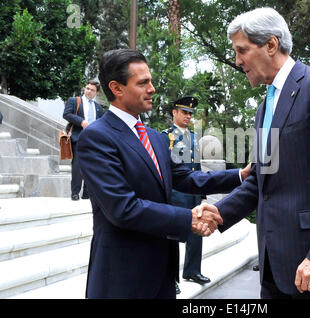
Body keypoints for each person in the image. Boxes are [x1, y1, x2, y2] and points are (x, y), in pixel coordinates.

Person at [195, 7, 310, 299]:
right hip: (276, 273)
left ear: (271, 45)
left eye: (242, 50)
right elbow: (264, 180)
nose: (238, 61)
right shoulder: (265, 107)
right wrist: (221, 211)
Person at [77, 49, 249, 299]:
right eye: (143, 82)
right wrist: (187, 218)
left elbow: (187, 178)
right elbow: (123, 208)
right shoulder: (97, 137)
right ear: (117, 88)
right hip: (122, 277)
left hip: (162, 273)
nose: (152, 89)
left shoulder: (155, 138)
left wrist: (240, 175)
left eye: (151, 81)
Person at [161, 96, 209, 294]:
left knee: (197, 232)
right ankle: (170, 278)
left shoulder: (194, 137)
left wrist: (202, 193)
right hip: (175, 194)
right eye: (184, 112)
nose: (188, 116)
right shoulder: (165, 136)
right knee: (172, 238)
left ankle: (192, 271)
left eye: (190, 113)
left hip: (193, 194)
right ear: (174, 113)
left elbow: (196, 167)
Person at [63, 80, 104, 201]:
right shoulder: (75, 101)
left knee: (91, 166)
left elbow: (101, 123)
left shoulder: (98, 107)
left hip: (93, 140)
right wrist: (81, 121)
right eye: (87, 88)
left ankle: (87, 193)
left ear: (96, 92)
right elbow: (66, 114)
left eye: (92, 90)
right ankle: (75, 192)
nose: (89, 91)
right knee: (77, 165)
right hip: (78, 136)